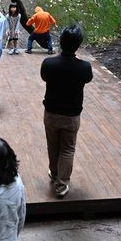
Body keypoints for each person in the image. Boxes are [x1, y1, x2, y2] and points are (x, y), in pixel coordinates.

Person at [40, 25, 93, 198]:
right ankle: (61, 185)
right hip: (72, 116)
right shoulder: (84, 67)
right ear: (78, 45)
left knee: (52, 145)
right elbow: (88, 79)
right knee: (68, 149)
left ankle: (54, 174)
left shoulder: (49, 64)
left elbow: (44, 77)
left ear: (61, 41)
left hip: (51, 113)